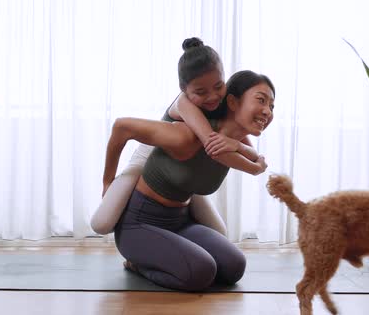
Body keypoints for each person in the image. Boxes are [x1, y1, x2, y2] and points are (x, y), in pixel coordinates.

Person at [103, 70, 276, 291]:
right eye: (261, 100)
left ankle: (177, 256)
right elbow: (122, 127)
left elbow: (257, 165)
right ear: (232, 101)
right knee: (201, 272)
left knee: (234, 267)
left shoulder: (234, 141)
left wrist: (238, 146)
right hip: (139, 224)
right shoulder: (187, 134)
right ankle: (137, 264)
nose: (267, 111)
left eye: (271, 106)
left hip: (180, 222)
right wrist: (107, 183)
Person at [91, 38, 266, 236]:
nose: (212, 97)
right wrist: (107, 181)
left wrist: (244, 150)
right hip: (150, 159)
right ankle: (137, 229)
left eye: (218, 86)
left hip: (185, 170)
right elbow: (214, 147)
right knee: (101, 224)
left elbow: (244, 148)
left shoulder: (224, 100)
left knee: (220, 234)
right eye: (200, 92)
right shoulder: (185, 103)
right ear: (184, 89)